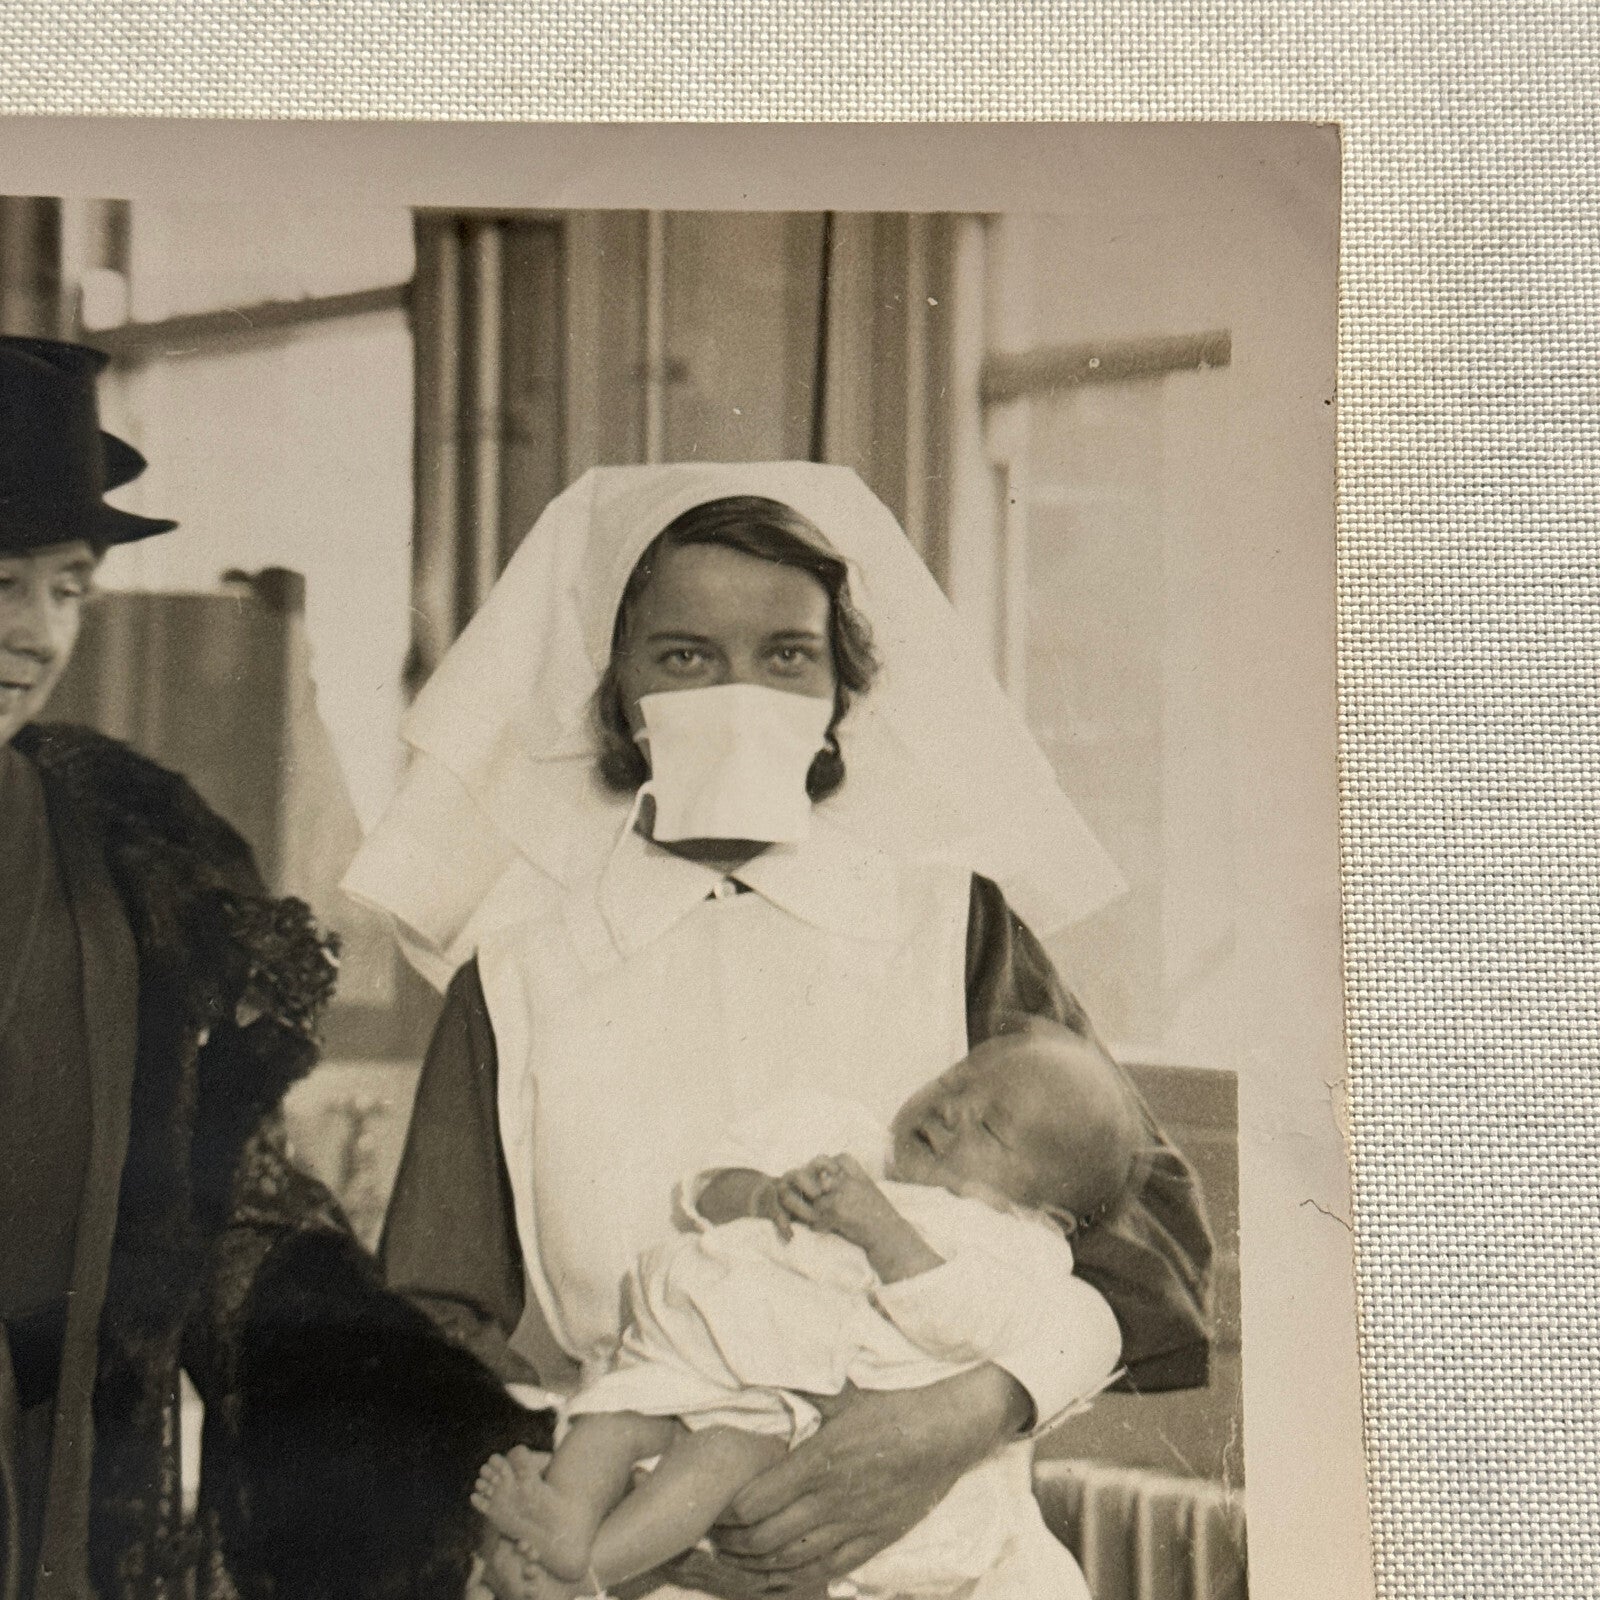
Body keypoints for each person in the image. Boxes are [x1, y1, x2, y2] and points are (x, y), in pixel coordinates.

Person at [347, 464, 1215, 1599]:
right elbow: (429, 1324)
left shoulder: (952, 923)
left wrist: (961, 1411)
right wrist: (583, 1527)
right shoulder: (516, 977)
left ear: (840, 689)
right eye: (684, 655)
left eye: (786, 654)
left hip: (945, 1557)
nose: (737, 693)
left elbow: (1146, 1235)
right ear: (614, 692)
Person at [0, 336, 548, 1600]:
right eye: (2, 581)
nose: (35, 635)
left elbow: (233, 1220)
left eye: (69, 588)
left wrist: (466, 1453)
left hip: (56, 1525)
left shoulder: (134, 856)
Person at [471, 1023, 1141, 1600]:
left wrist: (884, 1231)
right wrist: (763, 1196)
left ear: (1042, 1209)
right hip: (688, 1359)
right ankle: (562, 1526)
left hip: (786, 1411)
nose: (951, 1110)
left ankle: (590, 1568)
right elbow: (709, 1191)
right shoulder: (849, 1145)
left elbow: (975, 1319)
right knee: (608, 1418)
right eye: (952, 1084)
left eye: (991, 1126)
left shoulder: (1003, 1242)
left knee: (717, 1459)